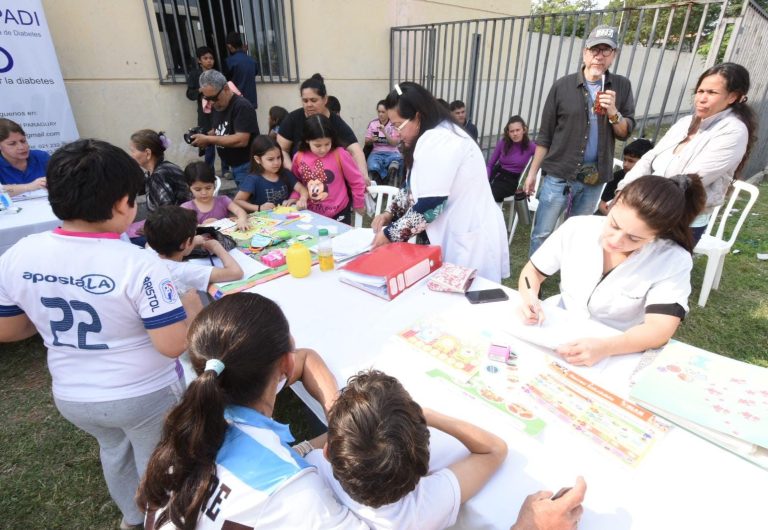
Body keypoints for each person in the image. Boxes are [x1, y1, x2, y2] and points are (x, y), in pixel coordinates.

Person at [0, 139, 190, 530]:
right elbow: (172, 344)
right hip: (143, 393)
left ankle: (132, 518)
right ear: (123, 203)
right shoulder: (140, 264)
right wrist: (189, 310)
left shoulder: (20, 253)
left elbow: (10, 328)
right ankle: (164, 519)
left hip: (73, 395)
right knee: (159, 458)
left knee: (114, 449)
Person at [138, 292, 368, 529]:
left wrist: (341, 423)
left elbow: (307, 357)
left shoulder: (193, 426)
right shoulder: (297, 493)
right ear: (285, 365)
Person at [518, 174, 706, 367]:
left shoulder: (671, 259)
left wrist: (605, 348)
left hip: (619, 348)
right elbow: (533, 272)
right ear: (613, 203)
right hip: (556, 327)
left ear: (658, 235)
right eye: (614, 225)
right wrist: (529, 297)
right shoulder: (578, 228)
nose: (616, 241)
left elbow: (659, 328)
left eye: (634, 239)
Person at [302, 369, 507, 529]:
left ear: (328, 452)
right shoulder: (419, 513)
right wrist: (428, 414)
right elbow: (494, 450)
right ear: (422, 465)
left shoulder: (310, 465)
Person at [371, 82, 510, 283]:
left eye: (397, 125)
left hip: (468, 238)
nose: (395, 132)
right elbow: (413, 184)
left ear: (418, 117)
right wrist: (390, 212)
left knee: (465, 303)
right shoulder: (427, 136)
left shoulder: (440, 139)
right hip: (456, 232)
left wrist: (391, 234)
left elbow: (431, 205)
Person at [524, 25, 635, 256]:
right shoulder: (562, 86)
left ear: (614, 55)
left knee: (577, 233)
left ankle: (568, 276)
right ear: (585, 52)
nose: (599, 56)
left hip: (594, 178)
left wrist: (614, 112)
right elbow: (545, 135)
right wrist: (532, 173)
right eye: (595, 49)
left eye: (606, 51)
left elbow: (625, 133)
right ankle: (534, 279)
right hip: (559, 174)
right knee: (542, 232)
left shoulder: (621, 86)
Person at [618, 62, 756, 245]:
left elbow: (688, 180)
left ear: (733, 96)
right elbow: (649, 158)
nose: (702, 98)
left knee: (654, 271)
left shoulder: (734, 131)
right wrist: (623, 190)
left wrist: (638, 203)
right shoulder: (684, 123)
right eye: (700, 91)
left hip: (681, 220)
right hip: (645, 207)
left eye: (712, 93)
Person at [276, 73, 369, 183]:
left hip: (331, 181)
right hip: (300, 179)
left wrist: (363, 175)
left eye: (313, 100)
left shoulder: (336, 122)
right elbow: (281, 149)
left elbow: (355, 151)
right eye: (305, 101)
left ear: (325, 99)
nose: (309, 104)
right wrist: (293, 173)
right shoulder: (292, 119)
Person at [144, 205, 243, 292]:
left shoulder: (150, 252)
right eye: (193, 235)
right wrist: (217, 247)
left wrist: (192, 241)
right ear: (185, 243)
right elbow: (236, 273)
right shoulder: (184, 271)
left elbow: (147, 244)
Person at [291, 114, 366, 224]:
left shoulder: (340, 154)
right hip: (311, 214)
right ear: (307, 140)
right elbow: (296, 183)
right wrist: (294, 197)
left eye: (327, 144)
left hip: (339, 212)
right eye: (317, 145)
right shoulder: (299, 157)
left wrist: (359, 203)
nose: (323, 149)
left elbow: (356, 180)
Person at [191, 69, 260, 187]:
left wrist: (208, 140)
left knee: (249, 202)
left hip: (247, 165)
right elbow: (220, 129)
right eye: (207, 98)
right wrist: (206, 136)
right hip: (234, 165)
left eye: (213, 98)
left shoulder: (241, 106)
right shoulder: (218, 106)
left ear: (226, 89)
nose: (211, 103)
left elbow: (241, 140)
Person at [235, 134, 308, 213]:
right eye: (270, 159)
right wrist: (259, 207)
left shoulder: (285, 173)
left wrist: (302, 199)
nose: (276, 162)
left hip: (287, 218)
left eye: (278, 157)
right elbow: (238, 201)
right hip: (265, 221)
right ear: (257, 159)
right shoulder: (253, 179)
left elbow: (302, 189)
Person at [129, 129, 191, 212]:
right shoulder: (164, 167)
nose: (131, 155)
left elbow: (166, 215)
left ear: (147, 153)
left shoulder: (158, 177)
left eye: (133, 151)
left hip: (180, 221)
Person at [181, 161, 249, 230]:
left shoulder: (223, 200)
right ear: (189, 187)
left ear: (214, 184)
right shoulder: (187, 208)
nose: (204, 193)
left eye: (208, 188)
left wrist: (242, 219)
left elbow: (239, 211)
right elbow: (185, 229)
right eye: (198, 189)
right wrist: (204, 226)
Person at [596, 138, 653, 215]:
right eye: (625, 160)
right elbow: (602, 205)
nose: (625, 164)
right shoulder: (618, 176)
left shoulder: (651, 185)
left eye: (631, 161)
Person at [487, 116, 537, 202]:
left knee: (490, 194)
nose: (515, 134)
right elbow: (490, 165)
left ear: (524, 130)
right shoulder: (503, 143)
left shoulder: (531, 146)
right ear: (508, 132)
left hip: (513, 180)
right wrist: (485, 179)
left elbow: (541, 162)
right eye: (512, 131)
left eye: (518, 130)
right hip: (498, 173)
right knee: (477, 190)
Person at [186, 46, 218, 168]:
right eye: (205, 58)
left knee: (222, 138)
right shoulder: (195, 75)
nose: (209, 61)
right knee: (207, 140)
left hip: (218, 110)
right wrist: (200, 90)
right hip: (204, 114)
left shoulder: (216, 74)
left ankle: (226, 169)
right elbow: (190, 94)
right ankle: (209, 170)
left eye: (211, 58)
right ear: (199, 60)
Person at [0, 118, 48, 196]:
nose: (21, 147)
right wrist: (29, 187)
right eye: (12, 144)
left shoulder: (42, 157)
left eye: (23, 141)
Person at [365, 99, 403, 185]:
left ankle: (391, 181)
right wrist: (372, 140)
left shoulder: (394, 124)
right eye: (379, 112)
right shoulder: (373, 124)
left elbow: (394, 143)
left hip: (392, 153)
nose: (380, 114)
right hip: (377, 152)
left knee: (397, 162)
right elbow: (366, 141)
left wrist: (384, 132)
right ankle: (386, 179)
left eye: (383, 112)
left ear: (388, 112)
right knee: (372, 166)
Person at [224, 31, 258, 112]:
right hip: (251, 102)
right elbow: (255, 73)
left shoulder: (229, 61)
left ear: (229, 46)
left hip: (236, 101)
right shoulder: (252, 61)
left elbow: (225, 81)